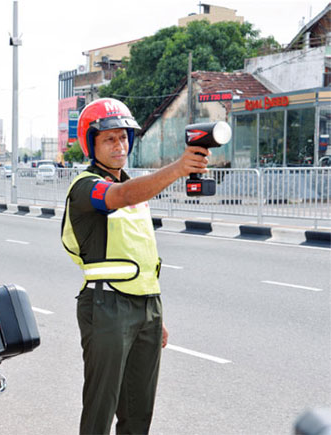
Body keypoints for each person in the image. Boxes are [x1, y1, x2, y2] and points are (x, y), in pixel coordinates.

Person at [61, 98, 211, 435]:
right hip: (106, 306)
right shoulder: (85, 188)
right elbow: (119, 196)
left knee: (139, 412)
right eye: (109, 139)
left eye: (124, 137)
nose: (119, 145)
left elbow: (140, 256)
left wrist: (155, 316)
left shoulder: (134, 187)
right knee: (100, 409)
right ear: (91, 144)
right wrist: (178, 167)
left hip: (146, 308)